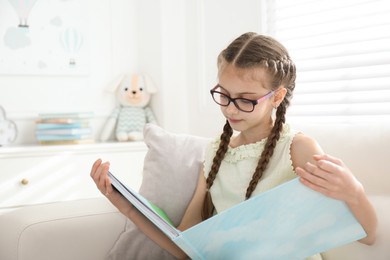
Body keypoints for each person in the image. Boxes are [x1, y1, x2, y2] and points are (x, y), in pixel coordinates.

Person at [91, 32, 377, 259]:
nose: (231, 108)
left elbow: (367, 234)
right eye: (224, 95)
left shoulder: (298, 149)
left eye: (246, 99)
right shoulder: (216, 153)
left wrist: (355, 192)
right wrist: (128, 208)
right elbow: (186, 248)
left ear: (277, 97)